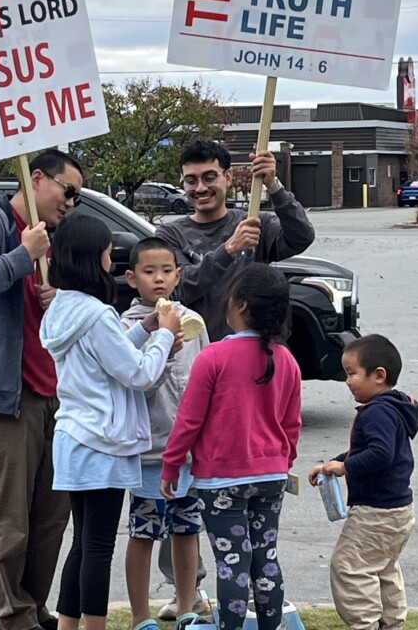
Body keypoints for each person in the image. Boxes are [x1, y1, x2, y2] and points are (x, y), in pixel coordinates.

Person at [0, 147, 84, 630]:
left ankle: (33, 606)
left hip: (58, 393)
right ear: (36, 179)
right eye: (67, 191)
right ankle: (13, 616)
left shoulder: (58, 237)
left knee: (51, 515)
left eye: (78, 197)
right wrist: (21, 256)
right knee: (12, 521)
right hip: (6, 395)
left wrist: (62, 294)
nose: (71, 203)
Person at [39, 214, 182, 630]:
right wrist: (167, 335)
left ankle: (69, 625)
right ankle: (94, 626)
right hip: (102, 442)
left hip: (74, 437)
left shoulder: (63, 307)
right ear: (92, 258)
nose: (109, 257)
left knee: (81, 545)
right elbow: (138, 373)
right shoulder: (98, 314)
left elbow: (107, 356)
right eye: (106, 250)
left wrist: (148, 328)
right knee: (98, 547)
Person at [161, 263, 303, 630]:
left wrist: (171, 466)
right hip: (271, 475)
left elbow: (189, 421)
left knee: (232, 563)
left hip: (222, 481)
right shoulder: (286, 359)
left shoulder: (213, 357)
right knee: (265, 557)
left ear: (239, 305)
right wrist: (283, 458)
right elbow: (292, 425)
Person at [120, 238, 210, 630]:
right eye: (148, 271)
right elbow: (133, 383)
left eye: (166, 271)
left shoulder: (194, 324)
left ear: (179, 275)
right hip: (148, 453)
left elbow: (207, 382)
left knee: (187, 530)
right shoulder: (126, 327)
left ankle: (187, 605)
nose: (158, 279)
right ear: (131, 277)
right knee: (143, 532)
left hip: (188, 454)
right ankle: (141, 616)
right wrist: (162, 347)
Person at [308, 334, 418, 630]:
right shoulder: (394, 407)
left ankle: (365, 623)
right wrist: (335, 463)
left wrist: (344, 467)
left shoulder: (377, 412)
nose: (347, 381)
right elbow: (372, 451)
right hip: (398, 510)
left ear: (378, 375)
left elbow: (380, 454)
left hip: (376, 512)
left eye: (351, 373)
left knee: (350, 567)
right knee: (382, 568)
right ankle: (391, 623)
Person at [155, 139, 315, 342]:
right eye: (191, 180)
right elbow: (179, 289)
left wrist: (274, 186)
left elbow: (302, 237)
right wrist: (230, 249)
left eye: (210, 177)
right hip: (198, 355)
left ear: (228, 177)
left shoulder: (255, 222)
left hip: (252, 353)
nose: (201, 188)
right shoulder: (169, 235)